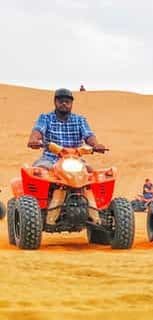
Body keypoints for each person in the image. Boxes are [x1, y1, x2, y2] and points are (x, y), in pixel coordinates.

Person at [26, 88, 107, 224]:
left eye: (67, 101)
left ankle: (101, 213)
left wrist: (96, 144)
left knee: (92, 176)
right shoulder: (46, 118)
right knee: (38, 172)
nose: (64, 103)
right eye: (61, 101)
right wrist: (34, 140)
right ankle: (37, 210)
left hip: (75, 160)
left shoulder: (80, 120)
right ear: (55, 102)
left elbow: (88, 135)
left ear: (71, 103)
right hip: (50, 159)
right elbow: (38, 130)